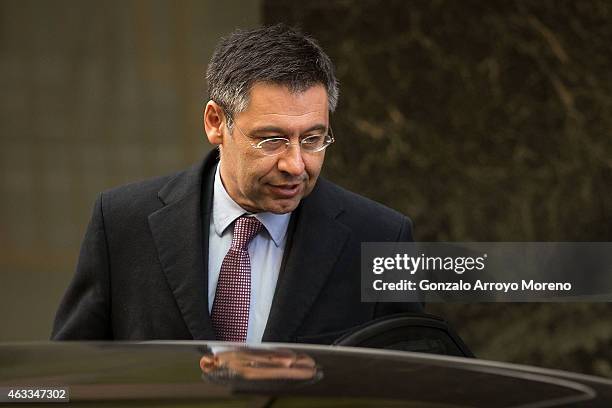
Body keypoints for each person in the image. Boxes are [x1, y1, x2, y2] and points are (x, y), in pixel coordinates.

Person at [52, 24, 422, 343]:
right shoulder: (121, 223)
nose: (295, 165)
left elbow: (406, 382)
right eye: (271, 139)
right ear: (216, 122)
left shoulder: (382, 238)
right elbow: (73, 372)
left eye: (313, 139)